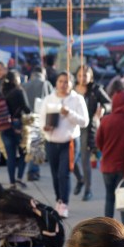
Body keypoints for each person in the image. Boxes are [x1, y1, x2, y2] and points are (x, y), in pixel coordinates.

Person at [41, 72, 89, 217]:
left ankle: (64, 204)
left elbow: (84, 122)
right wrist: (45, 129)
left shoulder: (77, 99)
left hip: (70, 142)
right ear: (56, 83)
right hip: (51, 142)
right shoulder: (49, 99)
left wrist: (69, 113)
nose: (63, 84)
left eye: (66, 82)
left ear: (72, 84)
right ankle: (59, 200)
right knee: (55, 174)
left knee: (64, 174)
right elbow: (41, 120)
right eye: (60, 81)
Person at [96, 88, 124, 229]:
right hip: (123, 170)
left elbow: (98, 142)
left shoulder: (106, 120)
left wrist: (107, 152)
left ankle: (106, 230)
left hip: (107, 167)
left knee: (109, 198)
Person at [74, 64, 112, 202]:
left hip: (88, 127)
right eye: (79, 75)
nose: (82, 78)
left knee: (85, 159)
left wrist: (103, 108)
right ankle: (80, 179)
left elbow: (109, 104)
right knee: (71, 159)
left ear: (90, 76)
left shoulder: (96, 90)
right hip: (72, 127)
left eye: (85, 75)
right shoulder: (72, 89)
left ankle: (88, 189)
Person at [0, 70, 29, 186]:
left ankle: (12, 182)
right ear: (15, 80)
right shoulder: (19, 91)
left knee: (10, 156)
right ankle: (19, 178)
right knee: (23, 152)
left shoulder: (2, 91)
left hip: (5, 126)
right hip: (18, 125)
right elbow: (27, 109)